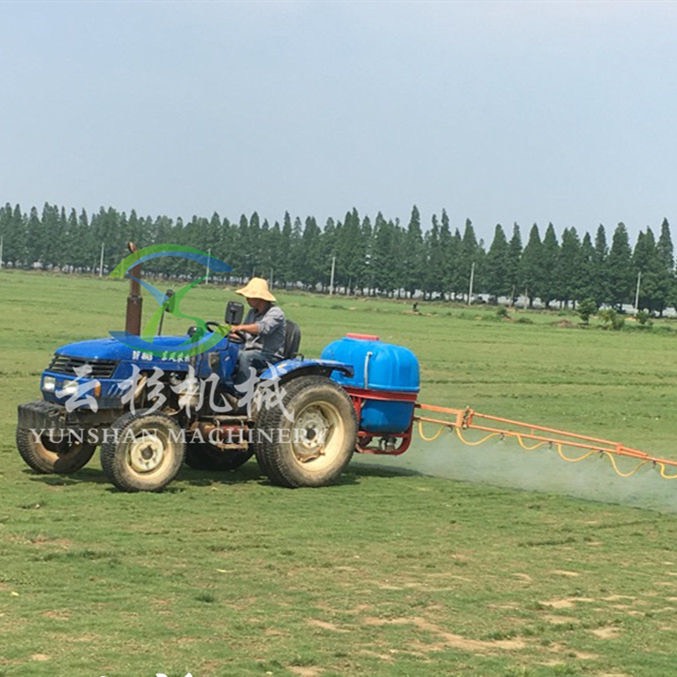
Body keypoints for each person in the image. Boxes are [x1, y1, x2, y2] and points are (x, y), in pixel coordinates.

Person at [229, 277, 286, 390]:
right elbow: (244, 335)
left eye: (250, 297)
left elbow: (263, 328)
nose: (247, 299)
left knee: (246, 357)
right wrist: (228, 336)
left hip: (269, 355)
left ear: (260, 298)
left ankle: (242, 391)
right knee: (228, 351)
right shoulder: (252, 313)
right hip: (252, 350)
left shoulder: (276, 313)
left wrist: (240, 327)